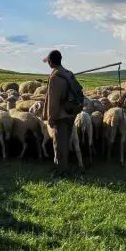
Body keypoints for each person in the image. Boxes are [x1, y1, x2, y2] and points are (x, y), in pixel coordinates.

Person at [42, 49, 78, 178]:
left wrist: (50, 118)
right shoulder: (69, 73)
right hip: (71, 113)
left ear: (51, 62)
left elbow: (53, 100)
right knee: (65, 142)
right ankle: (65, 166)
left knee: (58, 144)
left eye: (48, 61)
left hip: (61, 115)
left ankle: (61, 171)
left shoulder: (55, 77)